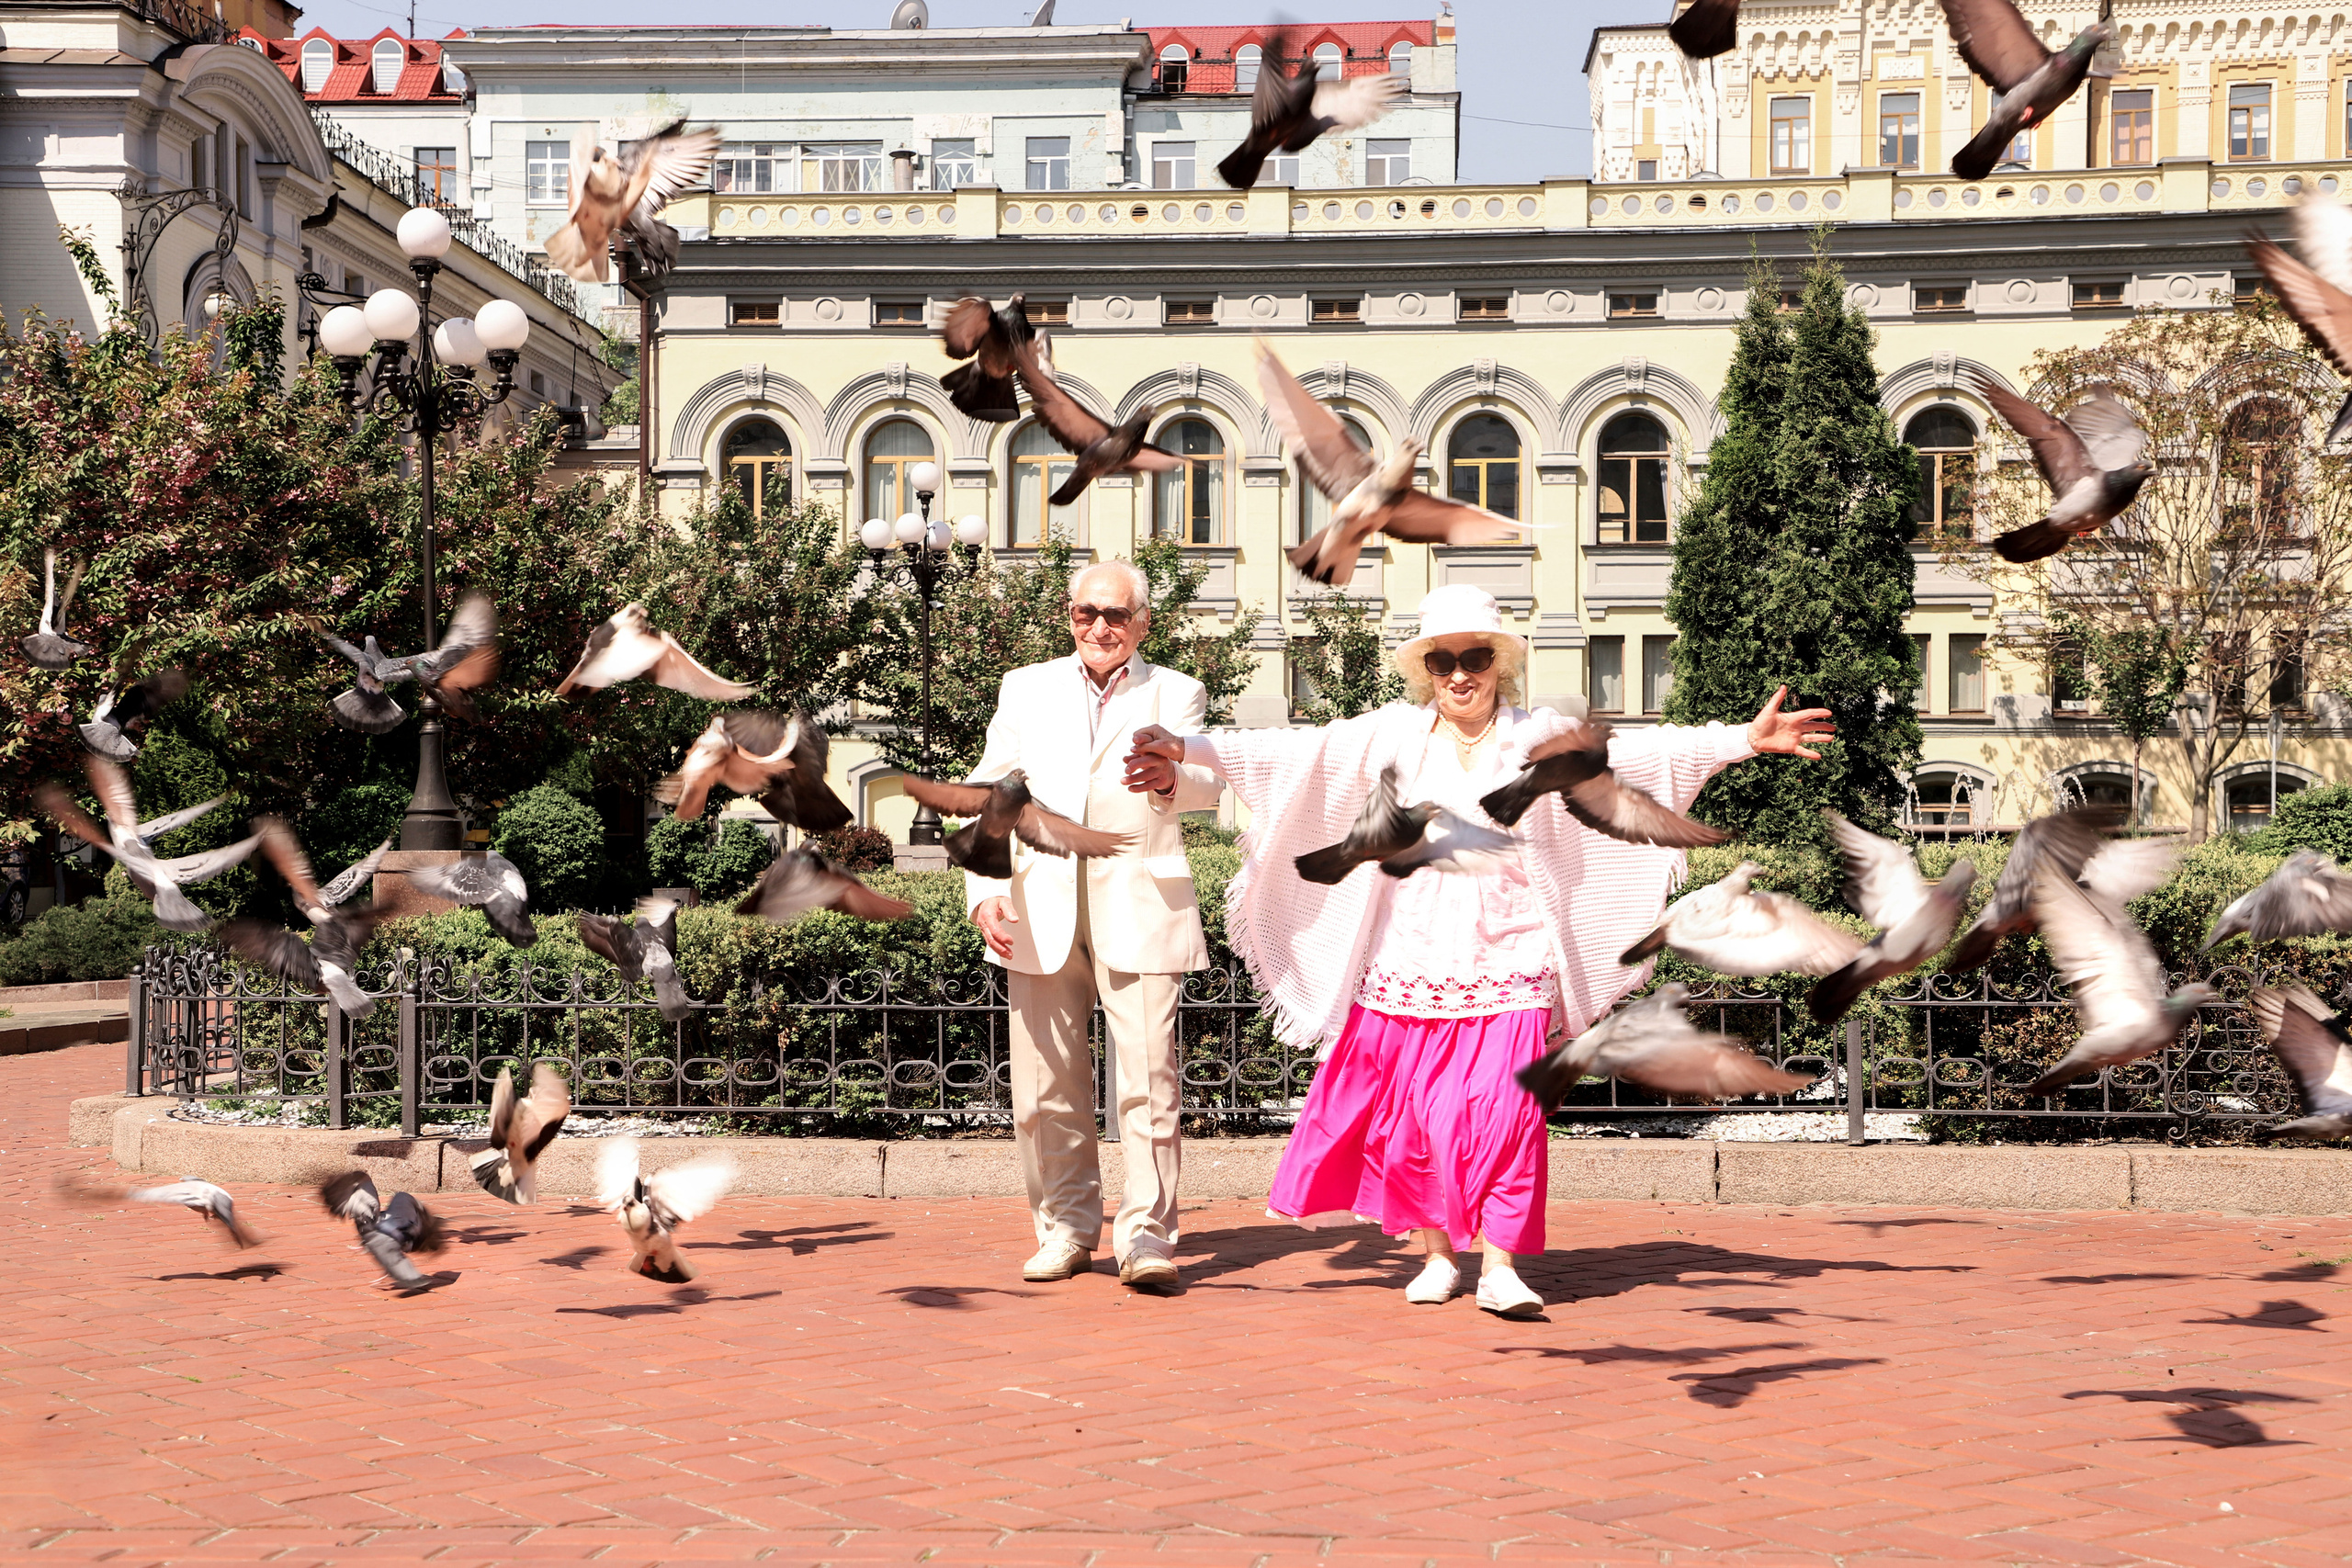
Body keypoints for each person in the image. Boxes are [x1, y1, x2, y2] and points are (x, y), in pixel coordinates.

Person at [1125, 584, 1829, 1316]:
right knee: (1417, 1119)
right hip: (1410, 954)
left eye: (1475, 657)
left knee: (1507, 1110)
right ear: (1426, 668)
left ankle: (1500, 1264)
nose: (1460, 674)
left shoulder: (1537, 737)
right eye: (1443, 659)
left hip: (1512, 953)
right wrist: (1188, 746)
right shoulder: (1391, 735)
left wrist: (1742, 740)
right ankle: (1435, 1255)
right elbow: (1293, 752)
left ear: (1500, 663)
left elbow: (1644, 752)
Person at [965, 558, 1222, 1292]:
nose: (1100, 627)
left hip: (1141, 900)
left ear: (1142, 622)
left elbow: (1205, 780)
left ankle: (1145, 1236)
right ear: (1069, 617)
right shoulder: (1026, 686)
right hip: (1037, 905)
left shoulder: (1176, 690)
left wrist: (1174, 777)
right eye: (1086, 613)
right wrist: (984, 886)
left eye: (1115, 615)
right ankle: (1067, 1229)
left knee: (1150, 1081)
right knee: (1044, 1087)